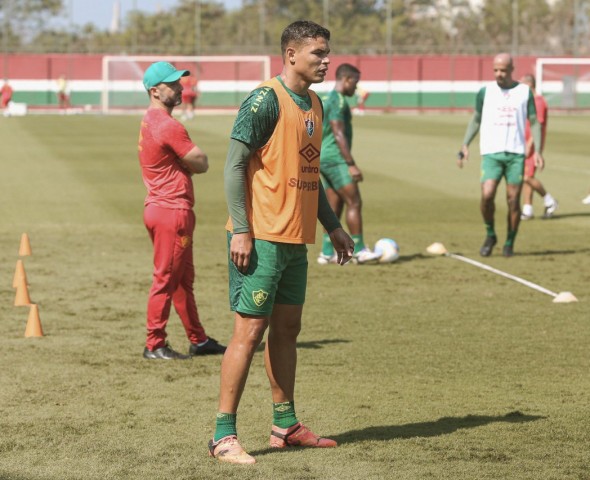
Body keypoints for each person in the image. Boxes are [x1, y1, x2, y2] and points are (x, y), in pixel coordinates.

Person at [208, 20, 354, 464]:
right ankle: (222, 436)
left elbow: (310, 175)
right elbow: (233, 166)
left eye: (328, 53)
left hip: (296, 241)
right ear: (291, 55)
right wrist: (242, 229)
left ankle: (285, 425)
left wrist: (332, 226)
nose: (326, 61)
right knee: (248, 333)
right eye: (318, 54)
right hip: (260, 239)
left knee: (288, 331)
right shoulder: (263, 100)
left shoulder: (315, 102)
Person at [137, 61, 226, 360]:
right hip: (171, 211)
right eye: (173, 84)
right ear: (155, 90)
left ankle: (198, 340)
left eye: (179, 82)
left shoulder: (150, 120)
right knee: (166, 278)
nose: (180, 88)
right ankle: (154, 344)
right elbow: (200, 161)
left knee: (182, 279)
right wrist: (193, 164)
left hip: (162, 209)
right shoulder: (167, 125)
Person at [458, 53, 544, 258]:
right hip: (491, 153)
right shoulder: (485, 92)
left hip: (516, 154)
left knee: (513, 200)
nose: (499, 74)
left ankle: (509, 242)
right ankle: (490, 234)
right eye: (496, 70)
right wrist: (465, 144)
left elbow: (534, 121)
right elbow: (476, 119)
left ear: (512, 70)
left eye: (503, 70)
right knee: (487, 195)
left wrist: (538, 150)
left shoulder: (524, 92)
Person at [317, 63, 381, 265]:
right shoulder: (338, 100)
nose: (356, 87)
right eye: (355, 82)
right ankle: (360, 250)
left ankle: (327, 252)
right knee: (354, 201)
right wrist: (351, 163)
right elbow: (338, 132)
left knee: (333, 206)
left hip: (323, 158)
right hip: (335, 159)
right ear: (346, 79)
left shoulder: (326, 97)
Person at [519, 74, 558, 220]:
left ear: (530, 84)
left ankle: (550, 200)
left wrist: (530, 145)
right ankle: (527, 209)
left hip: (533, 145)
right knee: (526, 176)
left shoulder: (539, 101)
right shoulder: (529, 101)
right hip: (525, 143)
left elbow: (538, 124)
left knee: (526, 176)